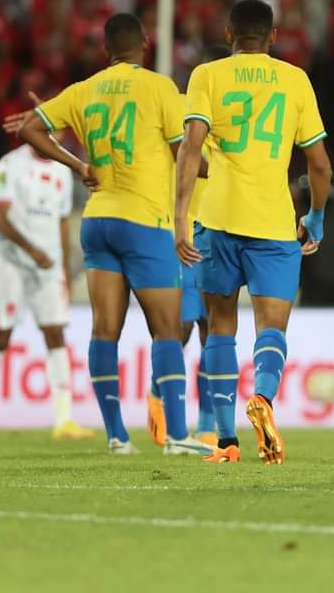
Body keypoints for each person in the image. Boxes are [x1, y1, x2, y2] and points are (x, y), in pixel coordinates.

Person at [20, 13, 208, 455]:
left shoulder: (84, 90)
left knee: (105, 331)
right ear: (145, 43)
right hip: (145, 221)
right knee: (167, 331)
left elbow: (31, 127)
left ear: (105, 50)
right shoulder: (160, 87)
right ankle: (178, 436)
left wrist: (78, 164)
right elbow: (186, 153)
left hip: (97, 219)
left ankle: (116, 437)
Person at [175, 0, 332, 465]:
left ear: (228, 33)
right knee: (271, 327)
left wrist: (181, 217)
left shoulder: (207, 75)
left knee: (220, 328)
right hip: (273, 223)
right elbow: (319, 164)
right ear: (273, 37)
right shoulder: (295, 79)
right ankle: (263, 397)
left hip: (218, 221)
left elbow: (189, 148)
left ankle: (225, 441)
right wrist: (316, 217)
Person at [0, 142, 94, 442]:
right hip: (10, 264)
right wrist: (32, 251)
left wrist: (64, 267)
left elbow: (63, 223)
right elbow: (0, 217)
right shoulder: (11, 163)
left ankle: (63, 420)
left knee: (56, 334)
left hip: (48, 267)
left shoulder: (63, 170)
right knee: (3, 334)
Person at [147, 44, 232, 450]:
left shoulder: (234, 112)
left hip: (215, 227)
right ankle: (157, 401)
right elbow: (185, 155)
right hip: (179, 229)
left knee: (211, 328)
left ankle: (206, 424)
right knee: (178, 327)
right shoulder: (184, 108)